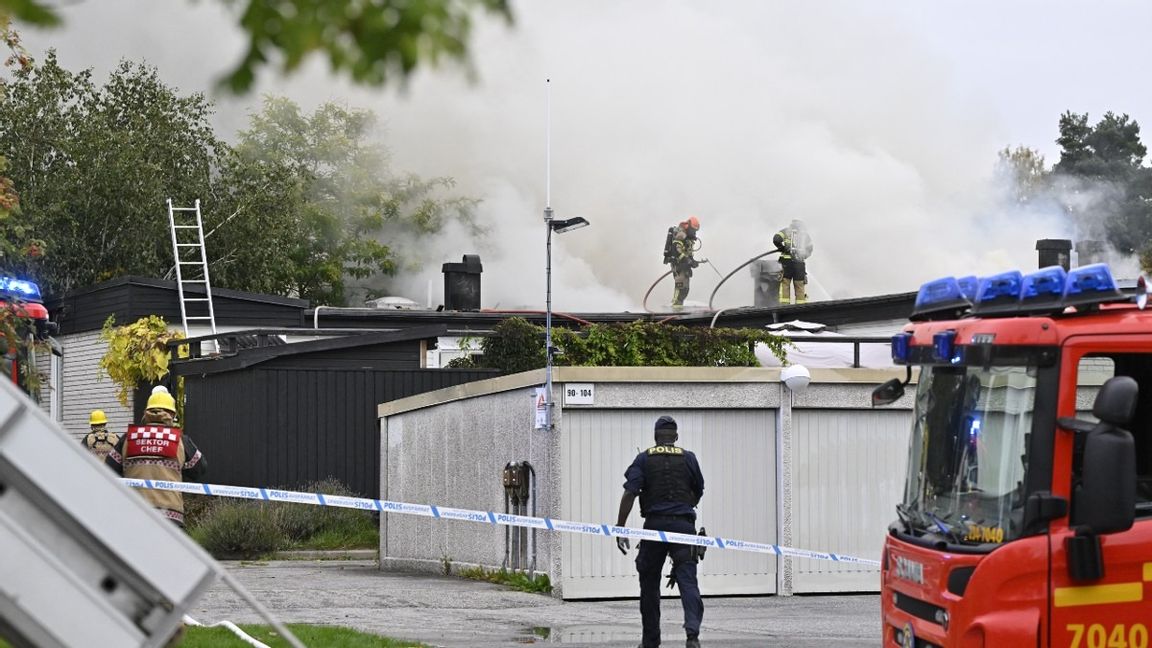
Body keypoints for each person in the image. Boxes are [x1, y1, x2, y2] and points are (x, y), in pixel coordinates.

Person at [615, 415, 705, 648]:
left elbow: (630, 493)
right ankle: (692, 635)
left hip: (654, 527)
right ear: (676, 436)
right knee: (688, 581)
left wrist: (620, 526)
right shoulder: (689, 458)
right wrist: (684, 508)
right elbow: (699, 490)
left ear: (655, 437)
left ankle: (650, 641)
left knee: (649, 584)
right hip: (684, 527)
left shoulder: (643, 459)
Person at [106, 385, 206, 528]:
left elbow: (108, 469)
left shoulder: (128, 438)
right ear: (172, 414)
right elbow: (200, 468)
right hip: (170, 518)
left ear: (146, 412)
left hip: (135, 514)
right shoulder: (180, 440)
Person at [772, 218, 814, 304]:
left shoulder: (786, 231)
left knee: (785, 284)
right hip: (799, 264)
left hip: (786, 264)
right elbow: (810, 249)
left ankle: (784, 307)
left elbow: (776, 239)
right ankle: (800, 307)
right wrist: (803, 255)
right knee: (800, 286)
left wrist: (782, 248)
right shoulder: (805, 235)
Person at [665, 216, 701, 310]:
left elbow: (688, 253)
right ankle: (674, 309)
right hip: (678, 265)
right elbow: (677, 251)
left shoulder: (688, 237)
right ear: (688, 226)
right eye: (693, 230)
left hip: (684, 265)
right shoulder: (681, 234)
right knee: (680, 287)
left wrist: (693, 261)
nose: (694, 233)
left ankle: (678, 308)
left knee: (685, 288)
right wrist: (688, 261)